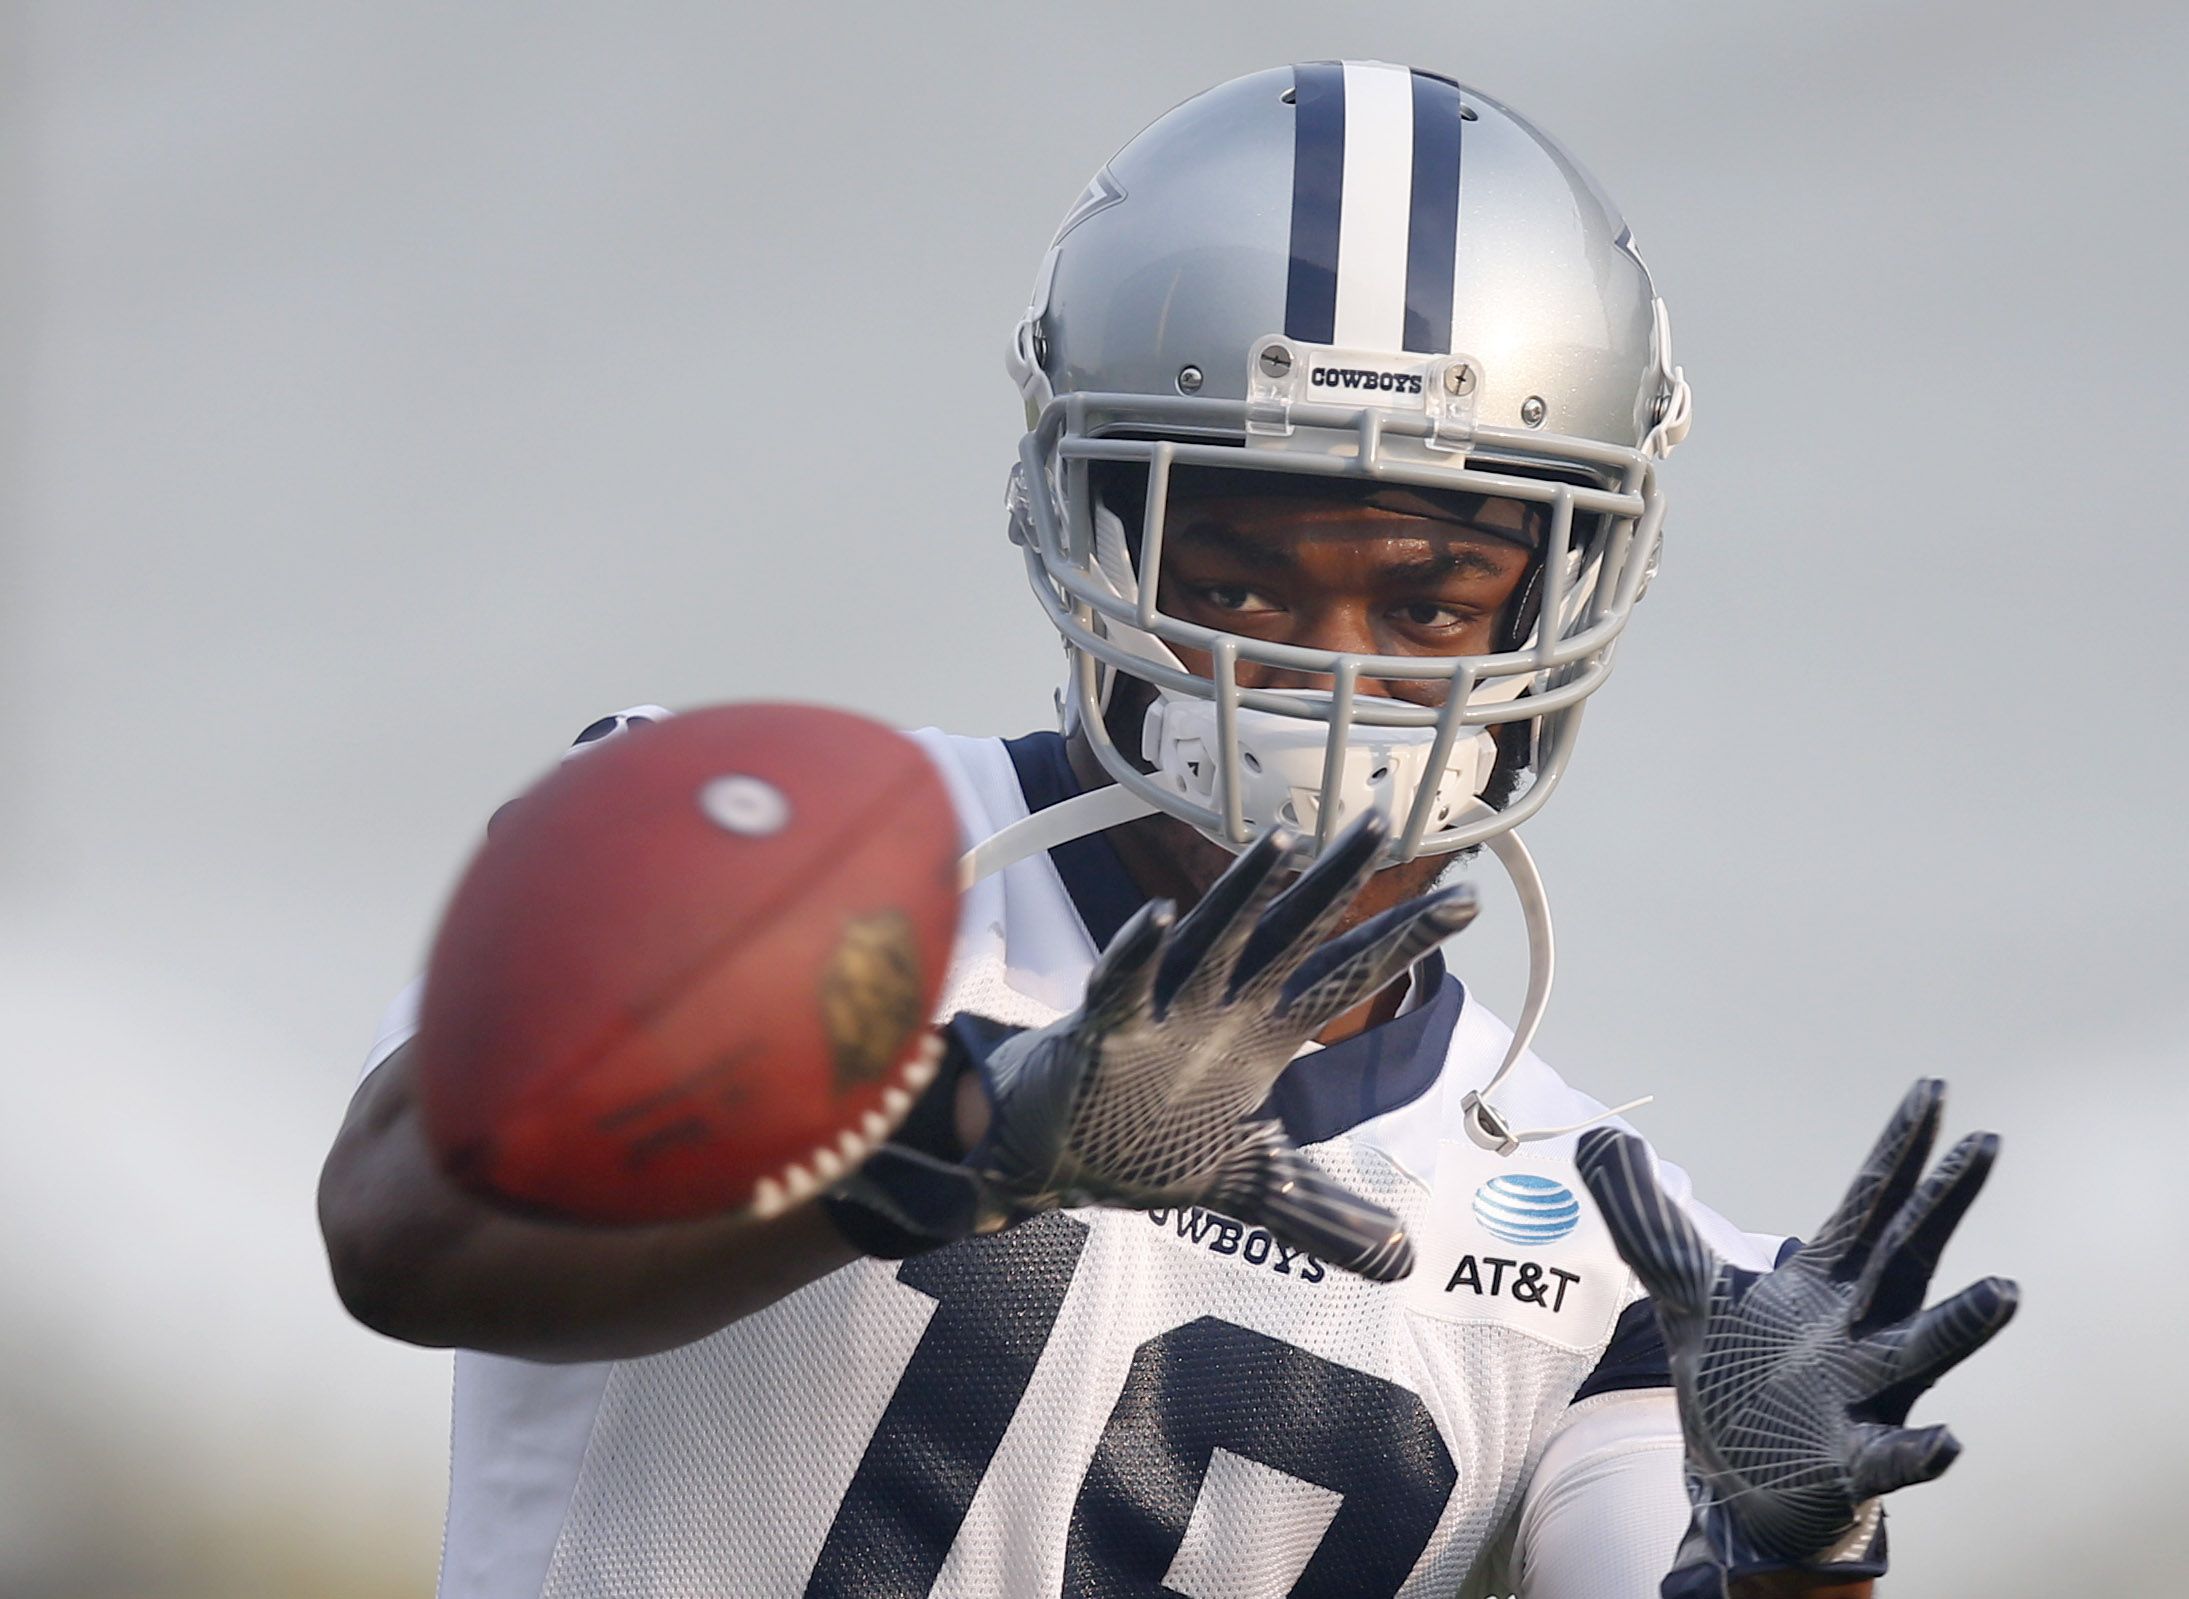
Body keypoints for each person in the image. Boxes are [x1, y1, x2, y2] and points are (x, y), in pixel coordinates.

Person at [318, 62, 2014, 1599]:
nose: (1327, 672)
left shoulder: (1619, 1263)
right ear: (1091, 534)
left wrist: (1803, 1552)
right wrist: (963, 1148)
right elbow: (406, 1239)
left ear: (1560, 598)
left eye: (1429, 604)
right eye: (1235, 582)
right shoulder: (761, 857)